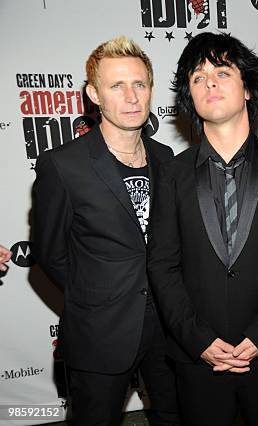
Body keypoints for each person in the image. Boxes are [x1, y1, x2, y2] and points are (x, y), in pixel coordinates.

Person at [146, 32, 258, 426]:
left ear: (249, 89)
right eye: (198, 77)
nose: (210, 83)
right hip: (197, 359)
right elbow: (162, 266)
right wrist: (199, 341)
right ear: (188, 95)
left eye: (222, 72)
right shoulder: (171, 175)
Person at [32, 36, 179, 425]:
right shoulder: (63, 166)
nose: (131, 97)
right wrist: (99, 294)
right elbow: (50, 254)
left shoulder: (166, 158)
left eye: (140, 84)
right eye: (117, 85)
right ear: (93, 94)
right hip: (100, 330)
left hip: (169, 326)